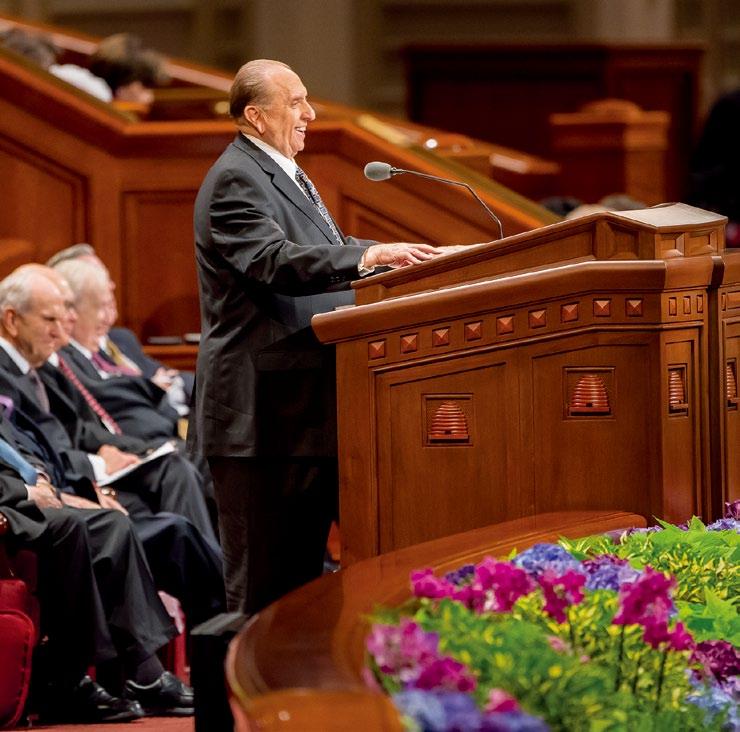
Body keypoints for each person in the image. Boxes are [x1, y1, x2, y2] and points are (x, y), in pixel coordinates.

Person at [192, 58, 446, 614]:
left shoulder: (276, 171)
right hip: (261, 422)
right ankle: (253, 702)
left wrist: (389, 264)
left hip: (301, 416)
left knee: (302, 587)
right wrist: (368, 256)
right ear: (256, 116)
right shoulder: (238, 176)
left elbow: (318, 247)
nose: (308, 114)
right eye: (296, 102)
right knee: (263, 596)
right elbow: (272, 260)